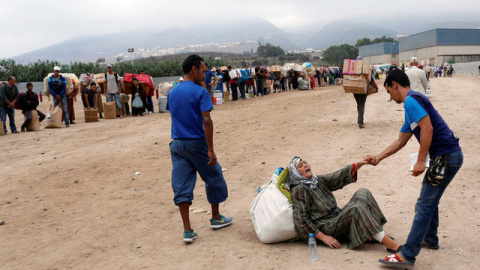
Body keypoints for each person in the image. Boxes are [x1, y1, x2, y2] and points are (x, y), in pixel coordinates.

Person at [365, 69, 463, 267]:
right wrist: (378, 157)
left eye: (388, 92)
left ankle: (407, 254)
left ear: (394, 84)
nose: (390, 98)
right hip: (447, 156)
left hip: (446, 156)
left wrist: (420, 161)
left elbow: (427, 128)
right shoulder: (410, 106)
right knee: (428, 201)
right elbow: (401, 140)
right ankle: (430, 239)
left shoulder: (411, 100)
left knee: (424, 204)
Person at [167, 54, 232, 243]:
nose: (204, 75)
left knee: (181, 185)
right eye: (203, 71)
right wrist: (210, 150)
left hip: (177, 143)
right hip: (197, 143)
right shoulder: (200, 92)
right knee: (213, 176)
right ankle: (216, 217)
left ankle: (187, 230)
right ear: (194, 70)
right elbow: (206, 120)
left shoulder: (172, 92)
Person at [288, 156, 401, 252]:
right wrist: (323, 237)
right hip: (327, 227)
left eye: (305, 163)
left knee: (363, 192)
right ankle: (390, 245)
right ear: (296, 173)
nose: (305, 165)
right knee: (356, 208)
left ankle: (374, 233)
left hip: (336, 217)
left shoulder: (316, 180)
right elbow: (300, 220)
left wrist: (359, 164)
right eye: (300, 166)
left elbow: (337, 176)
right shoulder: (299, 189)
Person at [353, 56, 378, 129]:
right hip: (363, 90)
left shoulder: (353, 69)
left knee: (358, 104)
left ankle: (360, 119)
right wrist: (376, 87)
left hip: (355, 89)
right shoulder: (366, 69)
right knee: (361, 104)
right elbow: (371, 80)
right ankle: (360, 121)